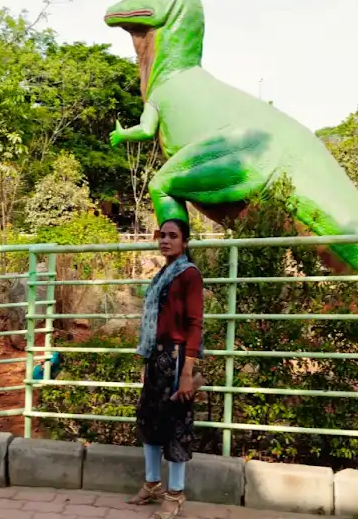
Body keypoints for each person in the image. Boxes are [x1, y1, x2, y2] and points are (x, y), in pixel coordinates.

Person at [128, 218, 204, 519]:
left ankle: (175, 493)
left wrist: (186, 373)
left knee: (176, 424)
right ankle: (152, 484)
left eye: (173, 236)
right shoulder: (163, 274)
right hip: (156, 357)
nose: (165, 240)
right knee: (149, 420)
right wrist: (148, 362)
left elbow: (194, 324)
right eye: (162, 235)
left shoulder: (188, 275)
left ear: (184, 242)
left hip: (175, 359)